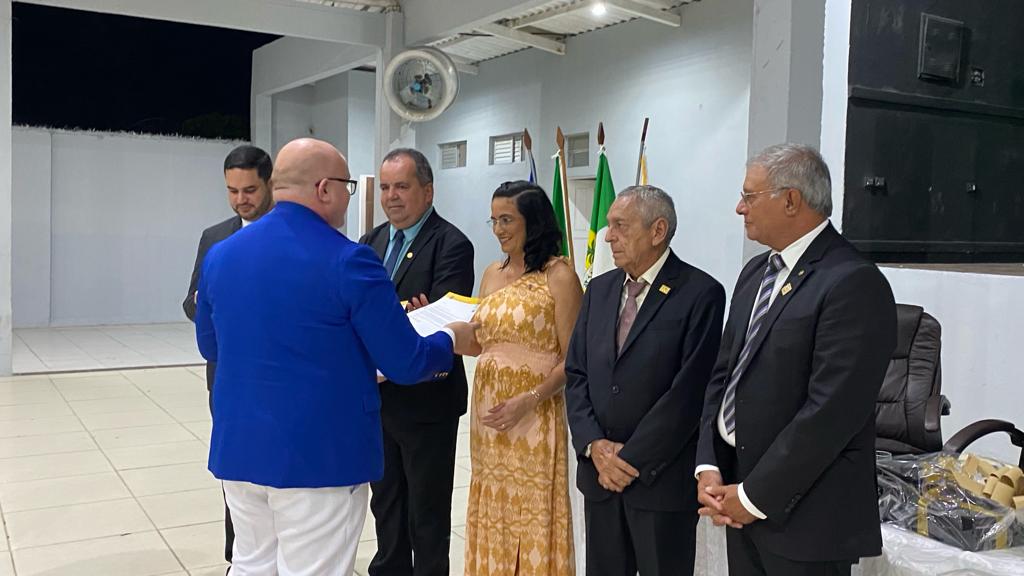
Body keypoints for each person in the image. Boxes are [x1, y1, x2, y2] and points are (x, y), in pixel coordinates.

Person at [194, 138, 476, 576]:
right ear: (324, 188)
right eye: (349, 186)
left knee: (252, 565)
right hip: (319, 456)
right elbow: (404, 362)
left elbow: (210, 347)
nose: (350, 197)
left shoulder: (221, 255)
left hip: (241, 449)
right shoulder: (348, 260)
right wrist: (450, 337)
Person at [695, 143, 897, 576]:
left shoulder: (852, 282)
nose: (739, 208)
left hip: (805, 519)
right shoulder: (757, 272)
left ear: (790, 200)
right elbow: (724, 376)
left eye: (749, 196)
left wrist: (754, 496)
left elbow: (831, 413)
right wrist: (709, 462)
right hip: (739, 496)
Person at [564, 185, 725, 576]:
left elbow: (688, 393)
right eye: (609, 225)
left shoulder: (700, 293)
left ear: (658, 231)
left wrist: (628, 459)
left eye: (620, 225)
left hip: (660, 482)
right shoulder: (599, 289)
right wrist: (594, 446)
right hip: (600, 477)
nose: (608, 236)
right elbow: (577, 373)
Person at [359, 148, 474, 576]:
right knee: (386, 501)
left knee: (427, 510)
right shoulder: (369, 243)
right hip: (378, 397)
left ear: (427, 191)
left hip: (427, 401)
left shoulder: (451, 244)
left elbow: (445, 318)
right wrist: (405, 311)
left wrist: (403, 316)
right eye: (386, 187)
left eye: (402, 187)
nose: (391, 196)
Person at [461, 180, 582, 576]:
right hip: (489, 418)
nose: (498, 229)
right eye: (494, 220)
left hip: (534, 414)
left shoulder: (558, 275)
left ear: (534, 221)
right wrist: (441, 329)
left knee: (530, 510)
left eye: (507, 220)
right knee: (493, 504)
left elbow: (573, 358)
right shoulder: (491, 273)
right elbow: (481, 344)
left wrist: (529, 399)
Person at [183, 143, 273, 567]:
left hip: (276, 375)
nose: (241, 199)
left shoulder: (289, 234)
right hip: (226, 376)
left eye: (250, 190)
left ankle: (278, 556)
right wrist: (203, 305)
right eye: (232, 191)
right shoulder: (214, 237)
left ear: (269, 184)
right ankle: (238, 557)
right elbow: (190, 302)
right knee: (234, 471)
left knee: (274, 472)